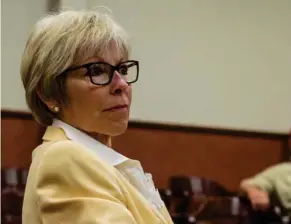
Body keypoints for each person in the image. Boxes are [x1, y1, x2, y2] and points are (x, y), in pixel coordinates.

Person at [21, 9, 173, 224]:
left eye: (122, 68)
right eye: (96, 71)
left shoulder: (96, 159)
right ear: (49, 94)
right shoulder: (65, 158)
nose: (121, 84)